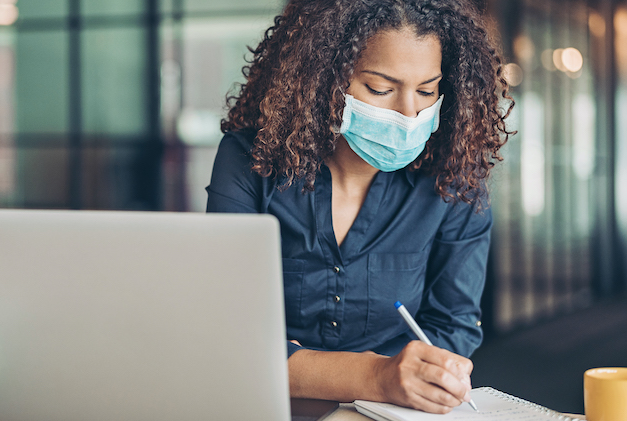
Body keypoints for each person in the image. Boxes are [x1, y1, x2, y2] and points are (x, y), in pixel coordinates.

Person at [206, 0, 513, 414]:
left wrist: (418, 378)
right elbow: (228, 335)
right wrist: (377, 377)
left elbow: (453, 328)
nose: (409, 113)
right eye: (380, 89)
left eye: (427, 90)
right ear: (325, 80)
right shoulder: (250, 160)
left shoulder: (453, 181)